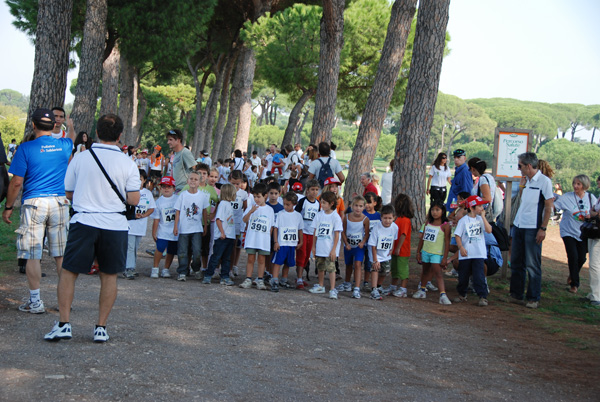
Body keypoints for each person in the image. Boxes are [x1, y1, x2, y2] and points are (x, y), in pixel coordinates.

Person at [44, 114, 140, 342]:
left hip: (84, 221)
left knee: (69, 272)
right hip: (115, 224)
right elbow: (134, 200)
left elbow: (68, 192)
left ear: (96, 133)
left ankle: (64, 323)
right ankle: (101, 328)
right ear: (120, 136)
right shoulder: (128, 163)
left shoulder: (81, 158)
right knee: (109, 276)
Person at [3, 108, 74, 314]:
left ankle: (35, 301)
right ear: (54, 125)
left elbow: (16, 182)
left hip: (34, 202)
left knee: (32, 253)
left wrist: (8, 207)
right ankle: (65, 300)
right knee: (60, 254)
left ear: (33, 125)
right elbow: (72, 138)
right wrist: (70, 126)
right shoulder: (64, 145)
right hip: (59, 202)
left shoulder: (25, 149)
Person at [509, 152, 554, 309]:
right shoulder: (526, 180)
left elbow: (548, 206)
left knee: (532, 264)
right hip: (519, 224)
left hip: (532, 227)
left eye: (520, 165)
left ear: (528, 166)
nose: (518, 168)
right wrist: (522, 186)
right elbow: (523, 201)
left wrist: (543, 228)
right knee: (516, 261)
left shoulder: (544, 181)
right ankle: (516, 294)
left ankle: (533, 297)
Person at [553, 175, 597, 294]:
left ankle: (573, 274)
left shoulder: (590, 197)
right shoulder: (567, 197)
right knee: (573, 256)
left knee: (581, 258)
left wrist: (591, 215)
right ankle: (574, 284)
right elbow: (554, 206)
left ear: (584, 185)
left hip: (583, 232)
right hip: (568, 231)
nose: (575, 186)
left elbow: (595, 212)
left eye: (578, 184)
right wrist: (551, 201)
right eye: (574, 183)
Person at [454, 195, 493, 307]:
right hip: (466, 253)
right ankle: (462, 294)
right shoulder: (464, 220)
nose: (482, 208)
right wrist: (461, 247)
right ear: (472, 208)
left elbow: (489, 230)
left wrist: (484, 217)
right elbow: (457, 235)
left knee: (479, 275)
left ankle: (482, 296)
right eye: (479, 206)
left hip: (478, 253)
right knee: (463, 275)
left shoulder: (481, 219)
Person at [413, 202, 451, 304]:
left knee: (438, 273)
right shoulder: (427, 223)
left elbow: (447, 242)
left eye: (437, 210)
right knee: (425, 271)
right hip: (425, 251)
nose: (434, 212)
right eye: (433, 210)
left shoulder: (445, 226)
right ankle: (422, 289)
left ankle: (443, 294)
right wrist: (418, 252)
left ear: (442, 211)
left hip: (437, 253)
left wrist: (445, 258)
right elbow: (422, 239)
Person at [173, 171, 209, 281]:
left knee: (197, 250)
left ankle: (196, 268)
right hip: (184, 228)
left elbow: (204, 212)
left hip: (197, 228)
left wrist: (205, 226)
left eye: (195, 179)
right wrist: (176, 226)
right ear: (188, 180)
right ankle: (182, 271)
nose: (193, 181)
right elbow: (178, 211)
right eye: (191, 179)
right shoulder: (183, 195)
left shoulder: (203, 196)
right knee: (183, 251)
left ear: (200, 182)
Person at [239, 183, 275, 290]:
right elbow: (244, 220)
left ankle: (260, 279)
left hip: (263, 239)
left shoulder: (269, 210)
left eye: (258, 196)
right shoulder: (251, 206)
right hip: (252, 238)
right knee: (250, 259)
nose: (256, 199)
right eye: (254, 196)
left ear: (265, 196)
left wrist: (268, 239)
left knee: (261, 260)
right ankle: (248, 279)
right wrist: (251, 211)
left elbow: (271, 226)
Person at [308, 191, 343, 299]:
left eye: (324, 203)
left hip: (330, 249)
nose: (321, 205)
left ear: (331, 203)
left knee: (331, 268)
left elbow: (337, 235)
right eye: (321, 202)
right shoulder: (319, 215)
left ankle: (332, 289)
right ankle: (321, 285)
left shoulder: (335, 217)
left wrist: (333, 250)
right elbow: (315, 232)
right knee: (320, 267)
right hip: (320, 247)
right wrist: (313, 246)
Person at [124, 170, 155, 279]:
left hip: (140, 226)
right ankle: (128, 268)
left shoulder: (148, 193)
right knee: (130, 247)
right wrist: (133, 215)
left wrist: (144, 215)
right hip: (130, 225)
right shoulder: (129, 192)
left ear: (144, 180)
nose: (138, 181)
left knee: (135, 247)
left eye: (140, 179)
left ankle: (131, 266)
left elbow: (152, 208)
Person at [203, 184, 237, 286]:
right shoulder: (223, 204)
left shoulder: (229, 204)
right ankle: (208, 275)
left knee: (227, 258)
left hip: (229, 236)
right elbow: (218, 220)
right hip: (223, 237)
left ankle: (225, 277)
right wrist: (222, 232)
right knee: (216, 256)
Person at [272, 191, 304, 291]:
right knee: (278, 262)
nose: (285, 206)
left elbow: (300, 229)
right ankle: (275, 280)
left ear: (294, 204)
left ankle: (284, 280)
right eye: (284, 204)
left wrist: (301, 241)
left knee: (288, 262)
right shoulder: (280, 214)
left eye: (288, 204)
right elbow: (275, 228)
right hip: (282, 243)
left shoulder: (298, 216)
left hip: (292, 243)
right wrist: (276, 242)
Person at [339, 195, 370, 299]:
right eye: (356, 205)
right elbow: (343, 231)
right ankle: (347, 283)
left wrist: (363, 242)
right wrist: (346, 243)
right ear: (352, 206)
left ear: (364, 207)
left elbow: (367, 234)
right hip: (348, 246)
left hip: (359, 247)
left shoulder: (365, 219)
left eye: (360, 206)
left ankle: (356, 288)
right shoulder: (347, 217)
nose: (358, 208)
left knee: (357, 264)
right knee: (348, 264)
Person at [150, 176, 178, 279]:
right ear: (160, 188)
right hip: (163, 230)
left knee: (171, 250)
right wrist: (154, 232)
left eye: (169, 187)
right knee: (160, 248)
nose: (166, 189)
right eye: (164, 187)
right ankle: (155, 268)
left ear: (174, 188)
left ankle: (166, 268)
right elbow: (156, 219)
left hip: (175, 231)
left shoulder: (178, 199)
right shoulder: (158, 202)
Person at [294, 179, 321, 289]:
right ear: (307, 190)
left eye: (316, 190)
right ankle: (299, 278)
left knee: (307, 256)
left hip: (311, 233)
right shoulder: (303, 202)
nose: (314, 192)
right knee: (302, 254)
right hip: (302, 231)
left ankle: (300, 276)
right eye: (312, 190)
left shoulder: (318, 204)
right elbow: (296, 214)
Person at [390, 194, 414, 298]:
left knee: (402, 269)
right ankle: (393, 286)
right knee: (394, 268)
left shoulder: (405, 220)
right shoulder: (398, 218)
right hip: (395, 249)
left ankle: (403, 289)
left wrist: (398, 247)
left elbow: (403, 235)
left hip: (402, 250)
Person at [587, 176, 600, 306]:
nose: (598, 186)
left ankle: (596, 295)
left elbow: (595, 213)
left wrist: (594, 213)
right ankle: (593, 292)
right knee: (593, 262)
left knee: (595, 265)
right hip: (595, 231)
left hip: (598, 234)